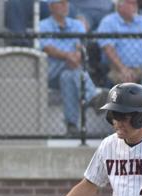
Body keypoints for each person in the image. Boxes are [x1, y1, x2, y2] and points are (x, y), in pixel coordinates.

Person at [39, 0, 109, 135]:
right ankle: (93, 97)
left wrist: (76, 55)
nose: (65, 6)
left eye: (66, 3)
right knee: (71, 69)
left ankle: (71, 125)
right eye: (60, 3)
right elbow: (47, 48)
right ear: (51, 6)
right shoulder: (43, 25)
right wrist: (68, 56)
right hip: (52, 73)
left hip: (72, 69)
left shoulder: (76, 25)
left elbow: (81, 47)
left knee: (68, 76)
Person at [96, 0, 142, 84]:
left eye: (136, 3)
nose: (135, 6)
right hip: (116, 68)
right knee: (124, 83)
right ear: (120, 5)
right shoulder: (108, 21)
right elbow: (108, 49)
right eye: (131, 3)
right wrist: (123, 69)